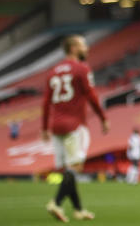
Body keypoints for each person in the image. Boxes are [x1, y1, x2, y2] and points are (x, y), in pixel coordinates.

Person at [42, 35, 108, 222]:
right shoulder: (81, 69)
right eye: (82, 45)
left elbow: (46, 101)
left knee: (69, 171)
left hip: (56, 126)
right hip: (74, 125)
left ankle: (78, 210)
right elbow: (91, 95)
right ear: (72, 48)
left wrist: (44, 127)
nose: (86, 48)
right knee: (75, 167)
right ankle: (56, 202)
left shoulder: (53, 71)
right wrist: (103, 118)